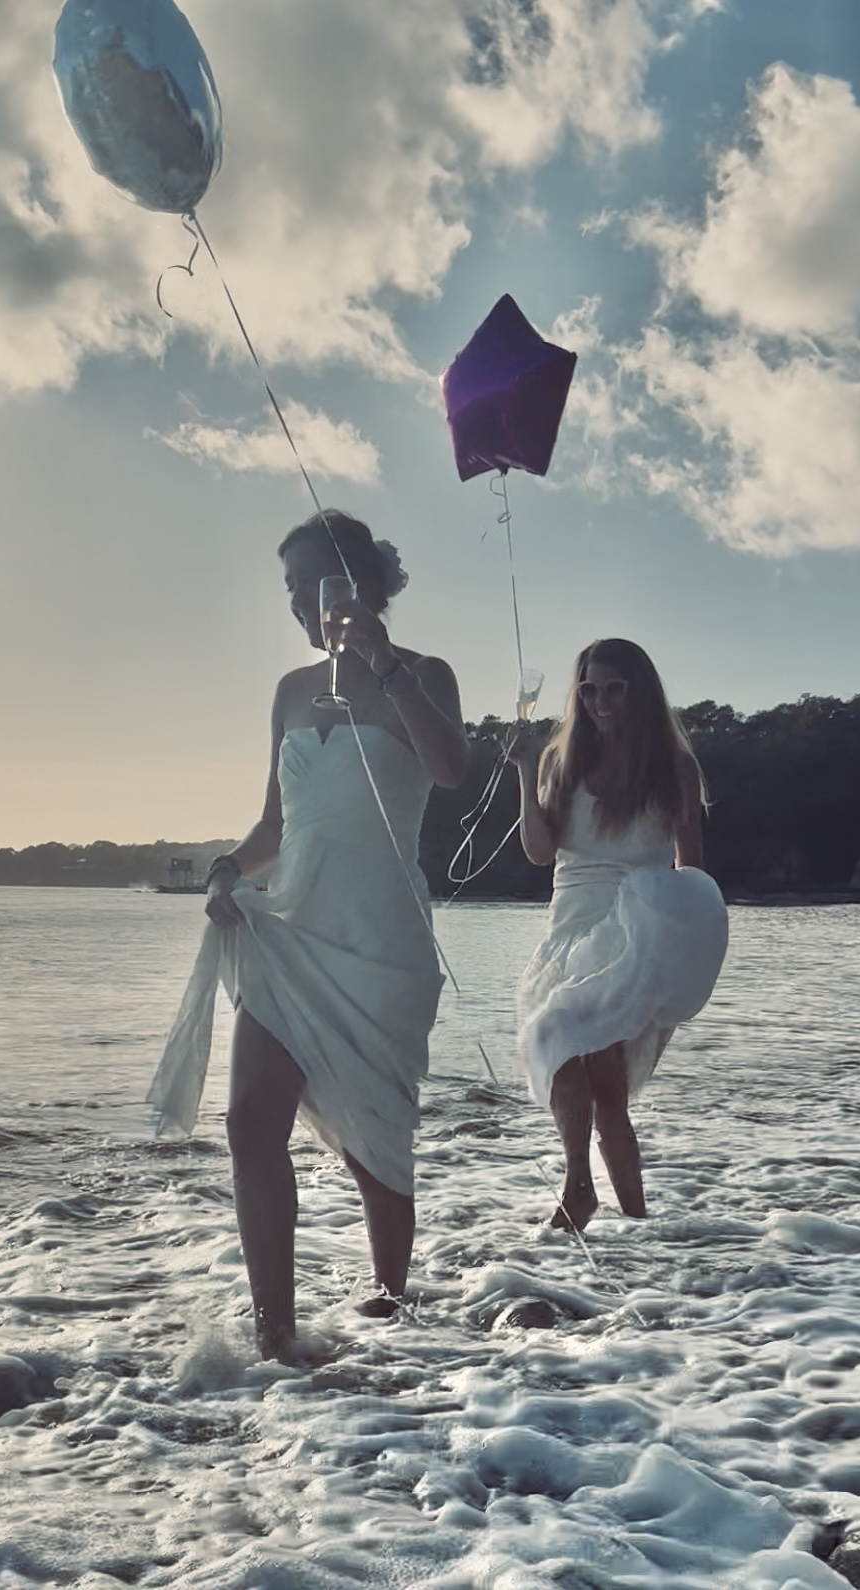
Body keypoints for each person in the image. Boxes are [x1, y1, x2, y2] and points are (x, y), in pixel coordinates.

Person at [148, 510, 468, 1361]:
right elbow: (275, 827)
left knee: (374, 1139)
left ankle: (390, 1307)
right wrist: (226, 871)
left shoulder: (424, 673)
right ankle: (274, 1334)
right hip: (288, 934)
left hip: (380, 943)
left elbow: (450, 771)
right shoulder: (290, 691)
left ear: (360, 581)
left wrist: (384, 664)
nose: (297, 600)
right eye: (289, 586)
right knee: (250, 1123)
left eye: (310, 582)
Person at [508, 638, 727, 1230]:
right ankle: (638, 1219)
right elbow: (539, 852)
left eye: (614, 689)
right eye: (589, 690)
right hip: (568, 927)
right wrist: (525, 771)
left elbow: (691, 867)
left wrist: (675, 947)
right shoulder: (562, 762)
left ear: (640, 692)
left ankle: (579, 1189)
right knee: (602, 1084)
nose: (600, 701)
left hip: (632, 928)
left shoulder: (673, 767)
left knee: (556, 1034)